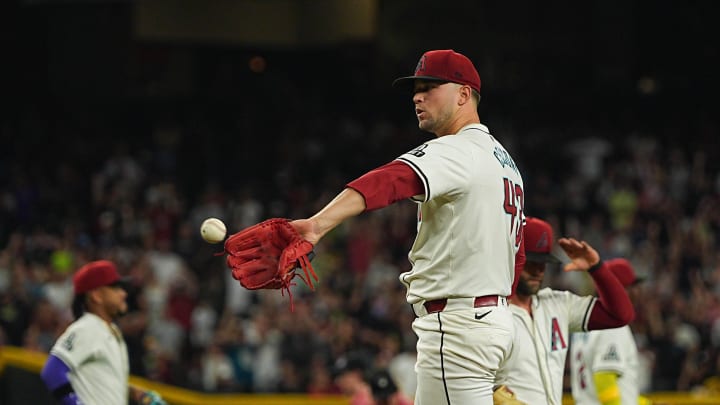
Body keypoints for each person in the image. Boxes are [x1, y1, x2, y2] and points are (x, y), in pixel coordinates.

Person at [291, 49, 526, 404]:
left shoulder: (458, 150)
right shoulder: (505, 162)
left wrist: (317, 224)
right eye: (416, 88)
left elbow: (391, 179)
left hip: (459, 327)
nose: (418, 95)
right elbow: (516, 257)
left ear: (464, 94)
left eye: (431, 86)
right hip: (493, 321)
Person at [494, 217, 635, 405]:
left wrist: (597, 268)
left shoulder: (557, 304)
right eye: (531, 262)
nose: (538, 271)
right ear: (513, 258)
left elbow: (620, 315)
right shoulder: (492, 313)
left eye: (543, 263)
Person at [40, 260, 166, 405]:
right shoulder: (88, 327)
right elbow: (52, 371)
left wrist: (133, 392)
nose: (123, 294)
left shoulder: (109, 330)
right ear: (96, 296)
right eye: (115, 288)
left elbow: (96, 379)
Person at [570, 258, 654, 405]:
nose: (637, 292)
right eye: (632, 286)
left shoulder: (587, 323)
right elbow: (604, 380)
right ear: (617, 289)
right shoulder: (613, 326)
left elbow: (621, 395)